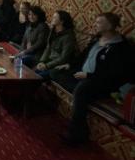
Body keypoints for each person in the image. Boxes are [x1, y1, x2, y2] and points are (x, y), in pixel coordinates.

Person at [52, 13, 134, 145]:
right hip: (84, 75)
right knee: (55, 73)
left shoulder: (120, 47)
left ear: (110, 25)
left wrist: (89, 76)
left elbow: (115, 74)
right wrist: (70, 65)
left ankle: (77, 133)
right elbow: (83, 55)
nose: (95, 25)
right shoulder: (97, 39)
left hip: (102, 82)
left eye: (99, 22)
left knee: (81, 90)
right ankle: (81, 90)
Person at [35, 10, 77, 79]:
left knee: (37, 77)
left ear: (61, 21)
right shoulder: (53, 31)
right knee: (33, 73)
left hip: (59, 65)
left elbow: (64, 58)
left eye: (55, 17)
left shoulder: (68, 37)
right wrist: (42, 61)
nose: (52, 19)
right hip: (50, 61)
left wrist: (47, 66)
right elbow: (48, 48)